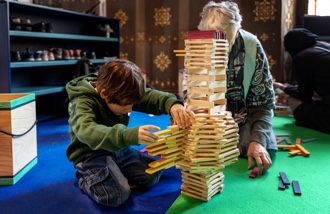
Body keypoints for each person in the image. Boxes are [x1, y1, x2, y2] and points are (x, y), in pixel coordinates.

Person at [66, 59, 193, 207]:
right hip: (91, 154)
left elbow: (150, 97)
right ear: (104, 94)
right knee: (116, 195)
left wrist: (173, 104)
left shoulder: (121, 92)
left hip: (119, 149)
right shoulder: (82, 101)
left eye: (132, 104)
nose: (130, 109)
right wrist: (127, 135)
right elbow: (86, 131)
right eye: (126, 104)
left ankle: (113, 173)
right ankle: (85, 177)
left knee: (151, 175)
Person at [183, 1, 277, 175]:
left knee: (257, 144)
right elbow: (190, 97)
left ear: (238, 29)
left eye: (228, 39)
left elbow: (263, 103)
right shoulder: (198, 46)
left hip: (244, 120)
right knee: (192, 146)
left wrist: (257, 141)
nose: (221, 47)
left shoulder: (251, 46)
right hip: (209, 121)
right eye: (215, 39)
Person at [273, 28, 330, 134]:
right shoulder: (325, 46)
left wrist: (283, 88)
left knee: (292, 100)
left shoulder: (302, 57)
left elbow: (304, 95)